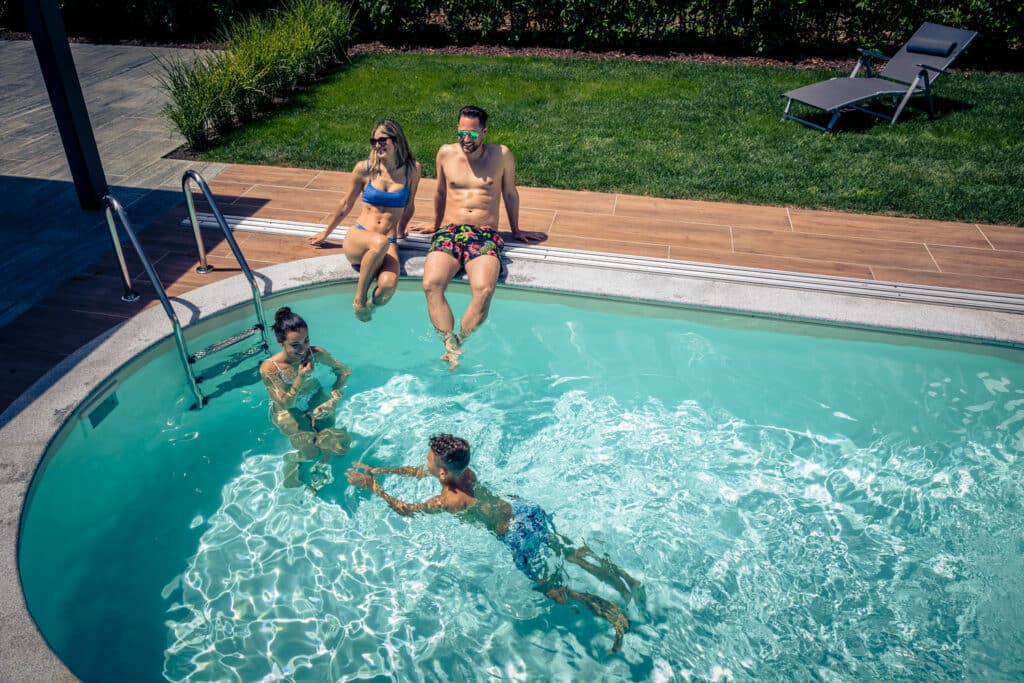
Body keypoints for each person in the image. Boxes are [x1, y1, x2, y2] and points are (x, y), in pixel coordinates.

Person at [346, 434, 639, 653]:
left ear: (443, 472)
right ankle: (625, 578)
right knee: (570, 551)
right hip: (525, 510)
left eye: (429, 459)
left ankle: (610, 612)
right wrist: (380, 471)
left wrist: (373, 487)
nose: (425, 462)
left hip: (516, 536)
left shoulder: (449, 500)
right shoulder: (466, 473)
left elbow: (406, 510)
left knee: (552, 588)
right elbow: (422, 472)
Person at [407, 106, 545, 368]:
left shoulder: (501, 155)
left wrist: (516, 231)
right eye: (461, 132)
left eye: (472, 133)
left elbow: (510, 194)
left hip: (484, 235)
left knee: (483, 290)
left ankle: (459, 341)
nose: (466, 139)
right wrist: (435, 225)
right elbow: (440, 193)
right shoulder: (445, 153)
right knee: (431, 284)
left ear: (484, 131)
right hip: (450, 231)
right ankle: (449, 344)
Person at [309, 119, 422, 321]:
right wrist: (326, 233)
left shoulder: (412, 170)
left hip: (388, 242)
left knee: (388, 286)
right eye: (374, 141)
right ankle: (359, 300)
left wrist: (402, 230)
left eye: (382, 140)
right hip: (359, 239)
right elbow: (346, 203)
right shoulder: (365, 169)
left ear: (396, 141)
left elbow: (409, 204)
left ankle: (371, 307)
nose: (377, 145)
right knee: (379, 242)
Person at [260, 307, 352, 491]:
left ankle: (321, 472)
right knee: (310, 452)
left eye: (306, 340)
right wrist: (301, 377)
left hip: (315, 398)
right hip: (288, 411)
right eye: (295, 345)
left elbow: (343, 371)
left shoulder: (316, 353)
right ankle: (291, 459)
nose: (303, 349)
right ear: (280, 342)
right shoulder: (269, 368)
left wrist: (333, 396)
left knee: (337, 445)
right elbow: (285, 403)